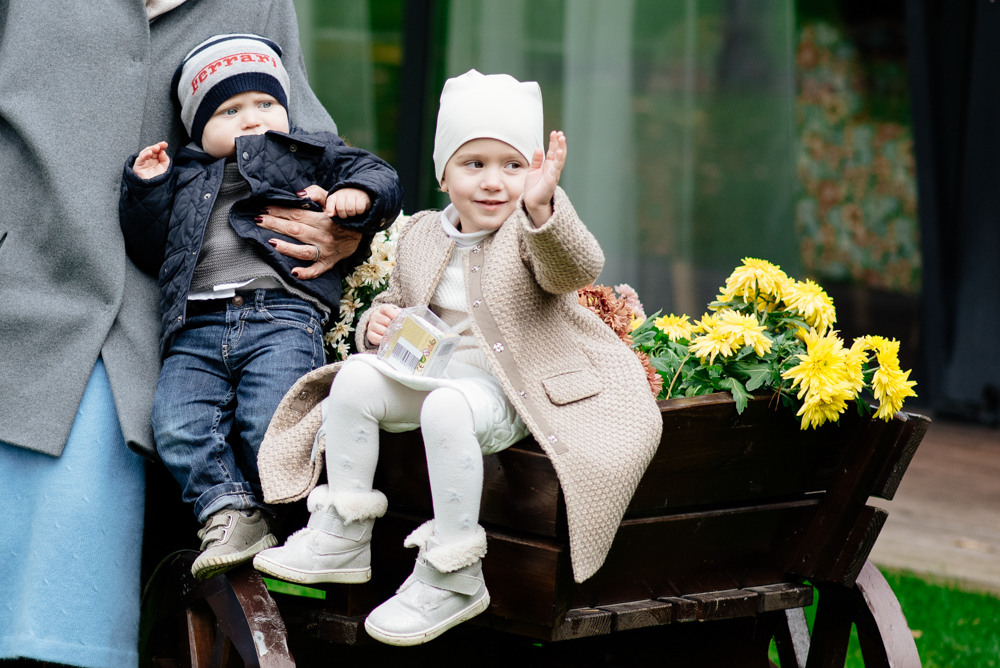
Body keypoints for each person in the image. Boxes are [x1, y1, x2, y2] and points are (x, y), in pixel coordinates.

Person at [0, 2, 364, 664]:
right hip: (20, 292)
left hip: (167, 324)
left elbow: (314, 150)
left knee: (72, 585)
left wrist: (340, 229)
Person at [253, 70, 663, 646]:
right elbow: (399, 302)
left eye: (512, 165)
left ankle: (454, 572)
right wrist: (377, 324)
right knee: (356, 380)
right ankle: (343, 529)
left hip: (512, 386)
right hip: (438, 373)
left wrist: (544, 209)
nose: (494, 182)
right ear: (443, 174)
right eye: (474, 164)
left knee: (445, 409)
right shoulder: (423, 233)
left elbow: (574, 269)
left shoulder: (530, 233)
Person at [120, 33, 402, 580]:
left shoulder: (307, 154)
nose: (253, 118)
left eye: (266, 103)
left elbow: (378, 174)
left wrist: (359, 197)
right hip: (196, 326)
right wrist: (148, 189)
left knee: (272, 423)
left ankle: (285, 521)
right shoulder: (186, 174)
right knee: (176, 423)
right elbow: (151, 249)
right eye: (230, 110)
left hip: (282, 316)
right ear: (198, 128)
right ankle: (229, 510)